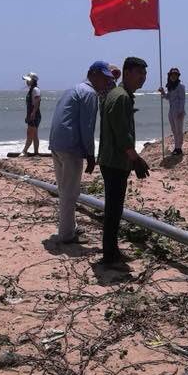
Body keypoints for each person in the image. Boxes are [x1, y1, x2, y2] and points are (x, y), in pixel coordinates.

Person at [48, 61, 117, 243]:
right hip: (71, 147)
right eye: (104, 78)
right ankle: (66, 235)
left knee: (64, 190)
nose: (107, 82)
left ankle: (69, 227)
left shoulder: (74, 89)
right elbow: (87, 127)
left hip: (57, 143)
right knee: (70, 192)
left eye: (109, 79)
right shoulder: (89, 93)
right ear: (92, 74)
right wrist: (90, 155)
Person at [98, 56, 150, 267]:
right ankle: (109, 256)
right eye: (139, 73)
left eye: (145, 74)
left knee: (114, 209)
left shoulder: (118, 94)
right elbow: (121, 134)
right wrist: (135, 159)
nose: (143, 78)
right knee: (113, 210)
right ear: (127, 73)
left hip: (112, 159)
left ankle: (112, 251)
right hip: (115, 161)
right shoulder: (121, 97)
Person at [159, 67, 186, 155]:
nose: (173, 76)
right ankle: (176, 147)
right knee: (174, 130)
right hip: (171, 111)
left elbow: (182, 99)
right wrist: (163, 92)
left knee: (179, 130)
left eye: (175, 75)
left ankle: (179, 148)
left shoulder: (180, 86)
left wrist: (180, 111)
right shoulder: (170, 86)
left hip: (178, 111)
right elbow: (168, 97)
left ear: (178, 76)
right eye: (172, 75)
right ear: (170, 76)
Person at [22, 73, 41, 155]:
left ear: (33, 81)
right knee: (34, 134)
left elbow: (37, 102)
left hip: (35, 114)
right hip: (32, 114)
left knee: (30, 134)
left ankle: (24, 151)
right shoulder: (32, 90)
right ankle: (36, 152)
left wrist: (33, 113)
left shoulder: (35, 90)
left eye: (28, 80)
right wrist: (28, 115)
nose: (26, 82)